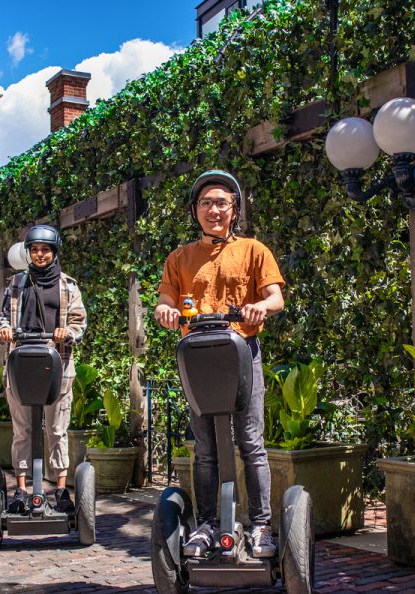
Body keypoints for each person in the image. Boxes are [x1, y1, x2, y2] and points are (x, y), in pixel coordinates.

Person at [153, 170, 285, 559]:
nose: (214, 210)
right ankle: (208, 525)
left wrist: (260, 306)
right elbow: (165, 298)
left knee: (250, 443)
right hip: (199, 357)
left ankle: (261, 525)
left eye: (221, 203)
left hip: (242, 352)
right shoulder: (179, 258)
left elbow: (275, 297)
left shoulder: (253, 250)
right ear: (195, 210)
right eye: (206, 203)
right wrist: (164, 310)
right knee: (206, 448)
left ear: (234, 209)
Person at [0, 224, 87, 513]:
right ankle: (21, 491)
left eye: (45, 249)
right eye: (34, 250)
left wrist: (66, 333)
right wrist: (5, 330)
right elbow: (0, 318)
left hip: (57, 367)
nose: (40, 255)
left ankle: (60, 491)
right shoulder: (16, 283)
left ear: (54, 252)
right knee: (22, 430)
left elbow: (79, 322)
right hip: (21, 366)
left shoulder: (68, 286)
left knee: (57, 431)